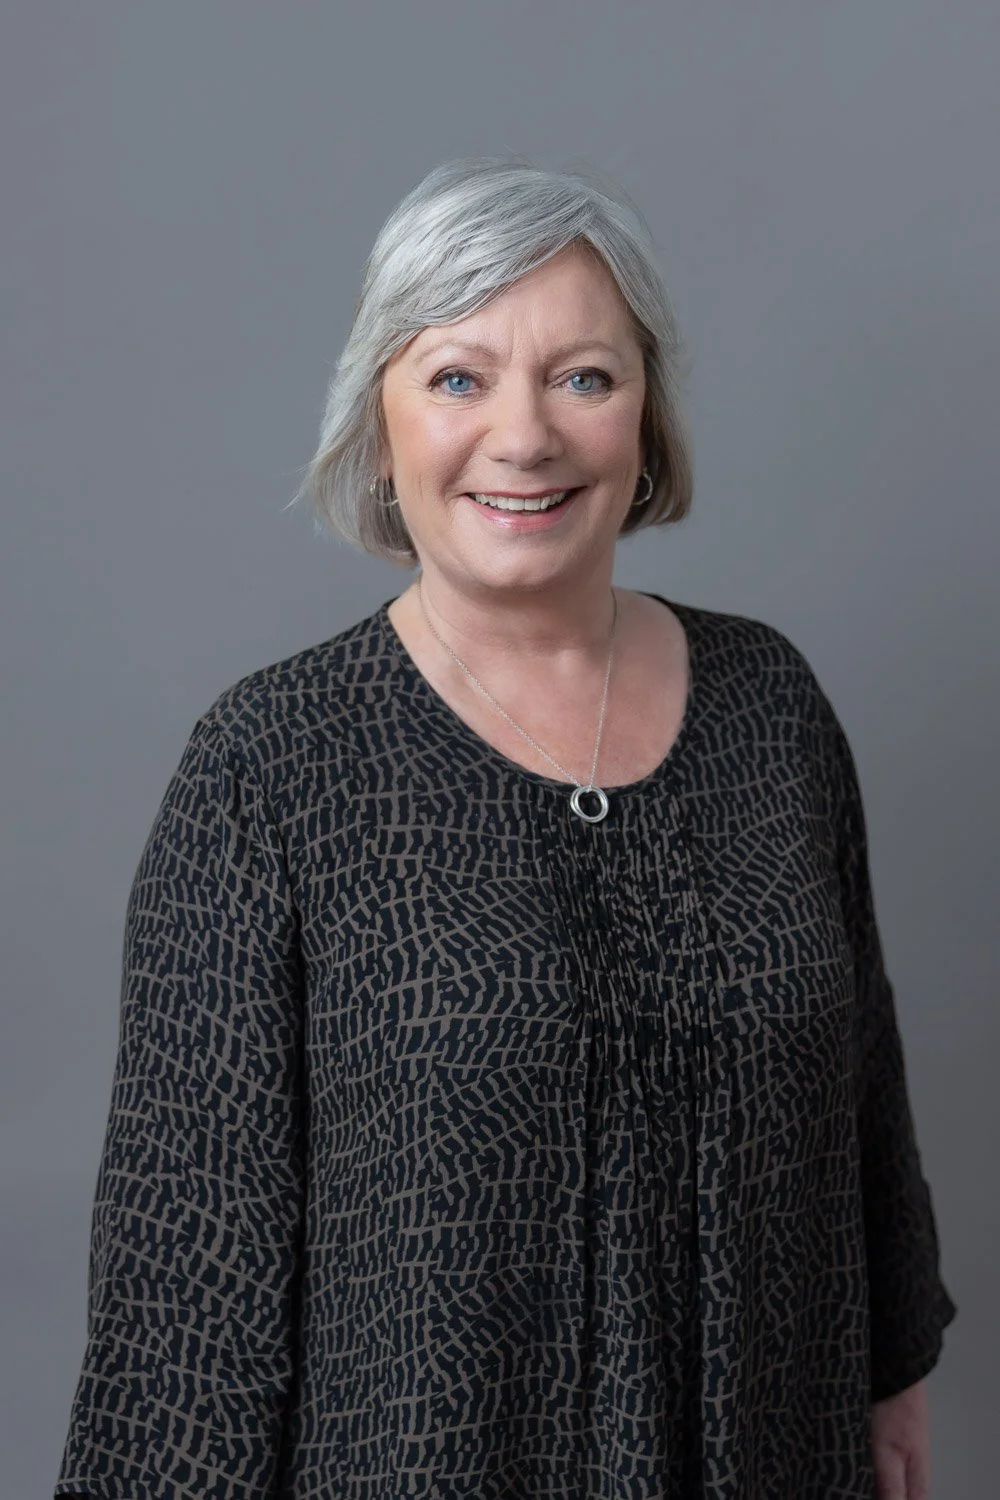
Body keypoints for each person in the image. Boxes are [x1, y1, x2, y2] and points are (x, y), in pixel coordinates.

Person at [55, 156, 956, 1500]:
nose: (523, 437)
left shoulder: (771, 705)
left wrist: (893, 1374)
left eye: (582, 376)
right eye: (459, 377)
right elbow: (186, 1293)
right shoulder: (271, 768)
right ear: (383, 415)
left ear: (647, 416)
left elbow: (862, 1080)